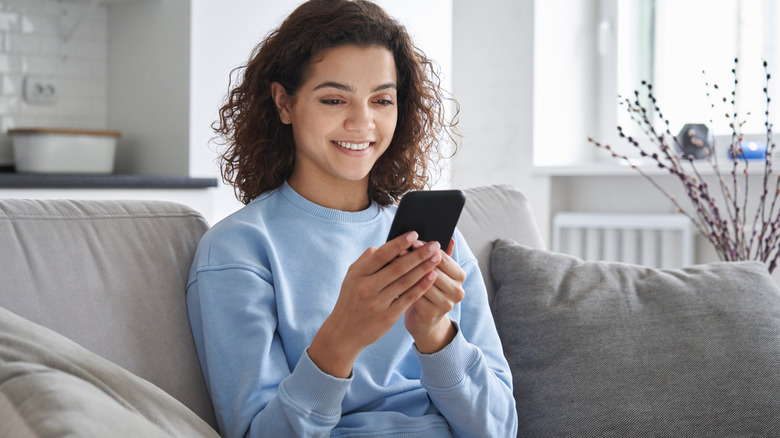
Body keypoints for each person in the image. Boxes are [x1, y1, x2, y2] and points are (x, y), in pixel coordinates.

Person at [186, 1, 518, 436]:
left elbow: (499, 430)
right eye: (333, 98)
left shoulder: (437, 243)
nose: (362, 122)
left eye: (382, 100)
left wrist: (435, 335)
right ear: (284, 102)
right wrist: (341, 339)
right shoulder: (238, 250)